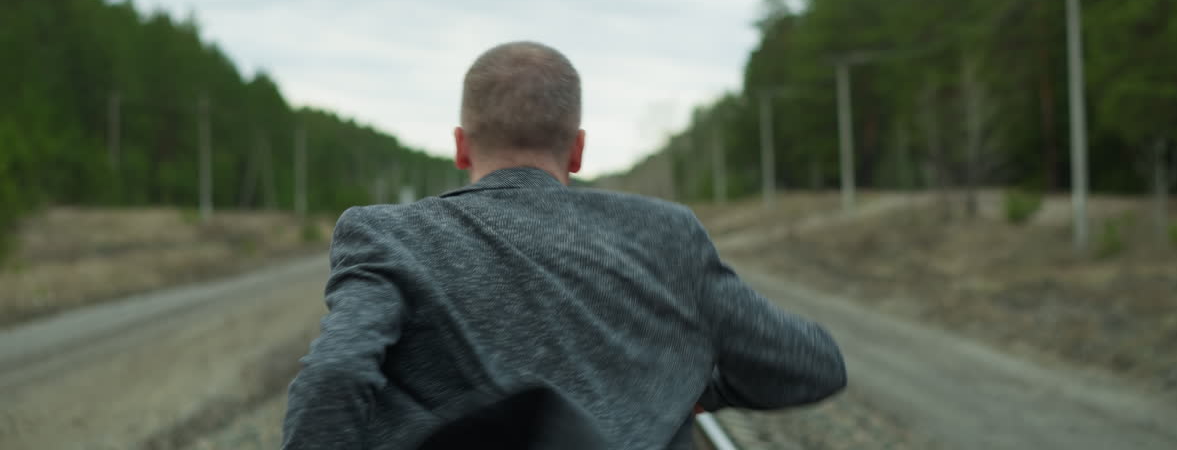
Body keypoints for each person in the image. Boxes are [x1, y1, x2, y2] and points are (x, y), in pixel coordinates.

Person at [281, 41, 846, 449]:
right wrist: (683, 390)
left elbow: (335, 377)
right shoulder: (665, 233)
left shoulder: (388, 235)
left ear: (460, 146)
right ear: (577, 151)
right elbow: (810, 363)